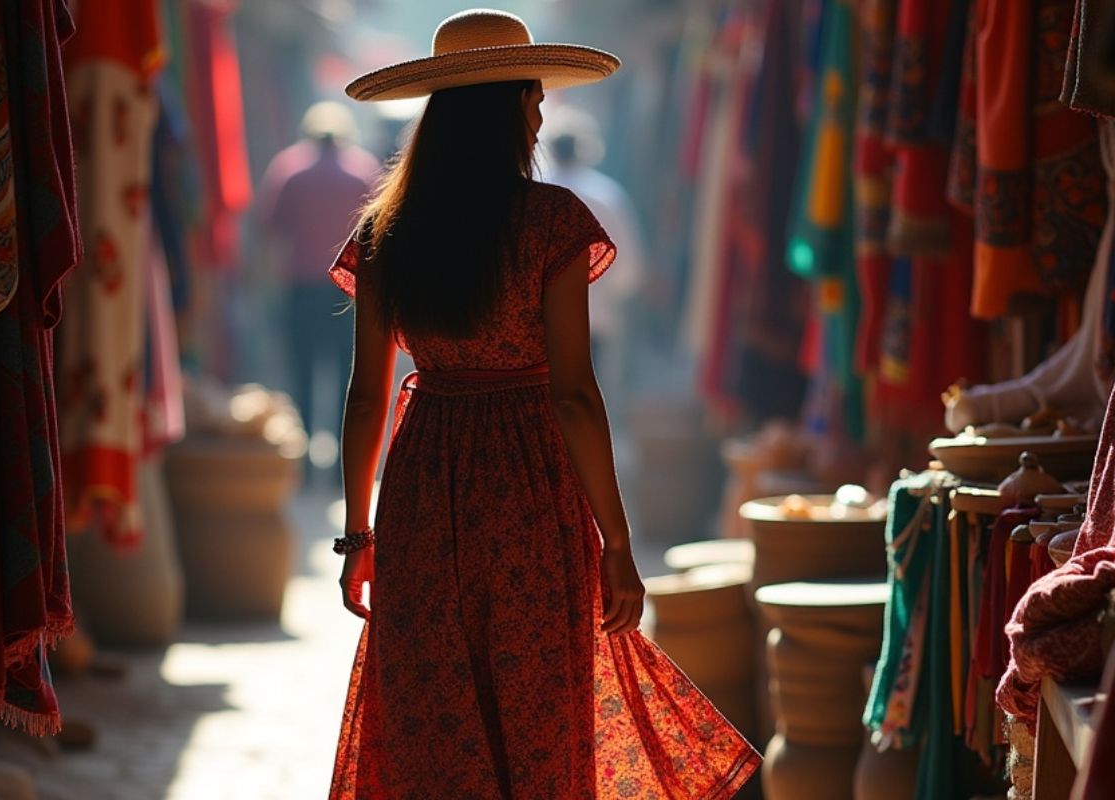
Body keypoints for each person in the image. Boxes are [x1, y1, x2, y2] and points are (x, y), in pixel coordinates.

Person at [326, 10, 761, 798]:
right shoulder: (553, 222)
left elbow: (364, 397)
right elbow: (573, 392)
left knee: (437, 712)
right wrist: (618, 541)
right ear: (505, 107)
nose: (538, 113)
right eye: (532, 97)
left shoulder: (384, 232)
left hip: (424, 485)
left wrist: (358, 534)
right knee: (539, 714)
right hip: (530, 490)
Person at [257, 101, 378, 477]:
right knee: (349, 380)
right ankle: (345, 469)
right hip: (349, 291)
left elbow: (269, 229)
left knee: (302, 376)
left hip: (302, 289)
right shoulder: (363, 171)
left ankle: (306, 467)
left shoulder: (289, 168)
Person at [541, 106, 647, 416]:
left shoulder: (535, 192)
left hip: (538, 322)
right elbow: (630, 269)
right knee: (580, 406)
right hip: (593, 320)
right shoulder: (608, 195)